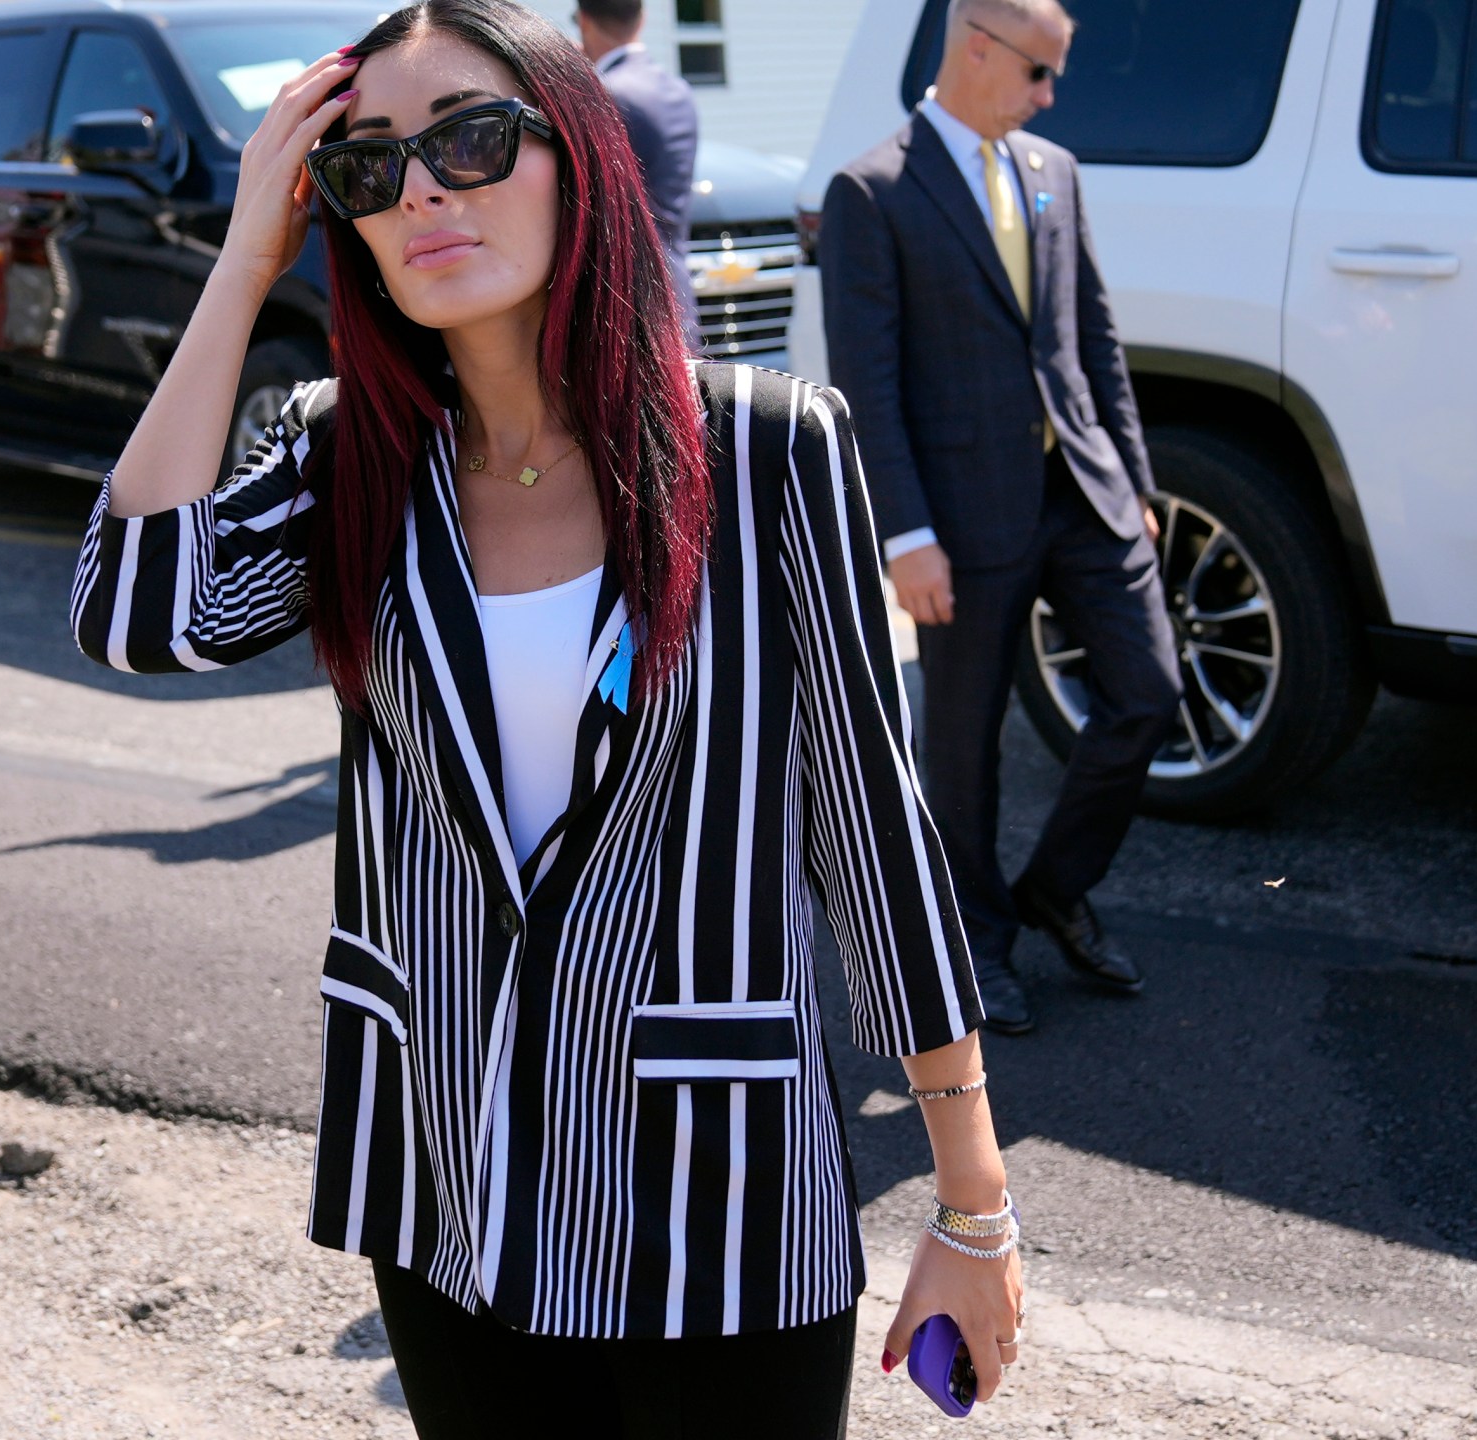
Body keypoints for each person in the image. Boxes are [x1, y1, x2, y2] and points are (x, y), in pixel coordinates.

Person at [69, 2, 1023, 1433]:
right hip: (452, 1186)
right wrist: (244, 260)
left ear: (579, 156)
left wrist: (974, 1207)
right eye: (370, 167)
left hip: (721, 1198)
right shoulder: (353, 461)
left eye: (468, 137)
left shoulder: (765, 452)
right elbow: (136, 612)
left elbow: (867, 834)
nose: (425, 190)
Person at [819, 0, 1178, 1033]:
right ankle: (974, 943)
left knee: (1147, 693)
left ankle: (1053, 892)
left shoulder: (1054, 171)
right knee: (963, 747)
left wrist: (1136, 486)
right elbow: (866, 385)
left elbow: (1092, 340)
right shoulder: (871, 190)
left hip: (1085, 495)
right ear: (978, 45)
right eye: (1038, 73)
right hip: (959, 520)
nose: (1049, 95)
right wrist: (905, 535)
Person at [573, 0, 699, 350]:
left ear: (583, 21)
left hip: (625, 301)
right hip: (677, 291)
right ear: (641, 19)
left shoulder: (604, 94)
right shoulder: (679, 91)